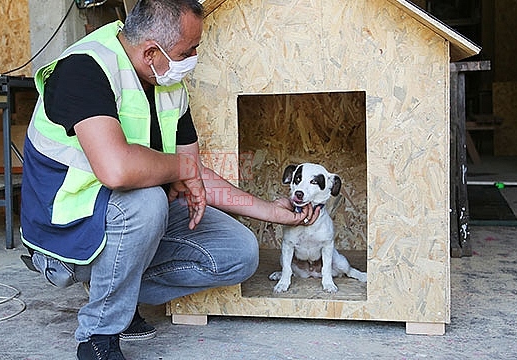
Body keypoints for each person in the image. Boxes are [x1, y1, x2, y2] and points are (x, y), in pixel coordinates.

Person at [19, 0, 319, 359]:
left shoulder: (169, 85)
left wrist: (273, 211)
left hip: (130, 215)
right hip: (66, 226)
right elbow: (117, 170)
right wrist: (182, 170)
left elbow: (192, 171)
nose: (192, 57)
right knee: (146, 202)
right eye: (186, 50)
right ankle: (100, 335)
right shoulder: (84, 68)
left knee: (239, 253)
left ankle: (114, 288)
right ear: (151, 52)